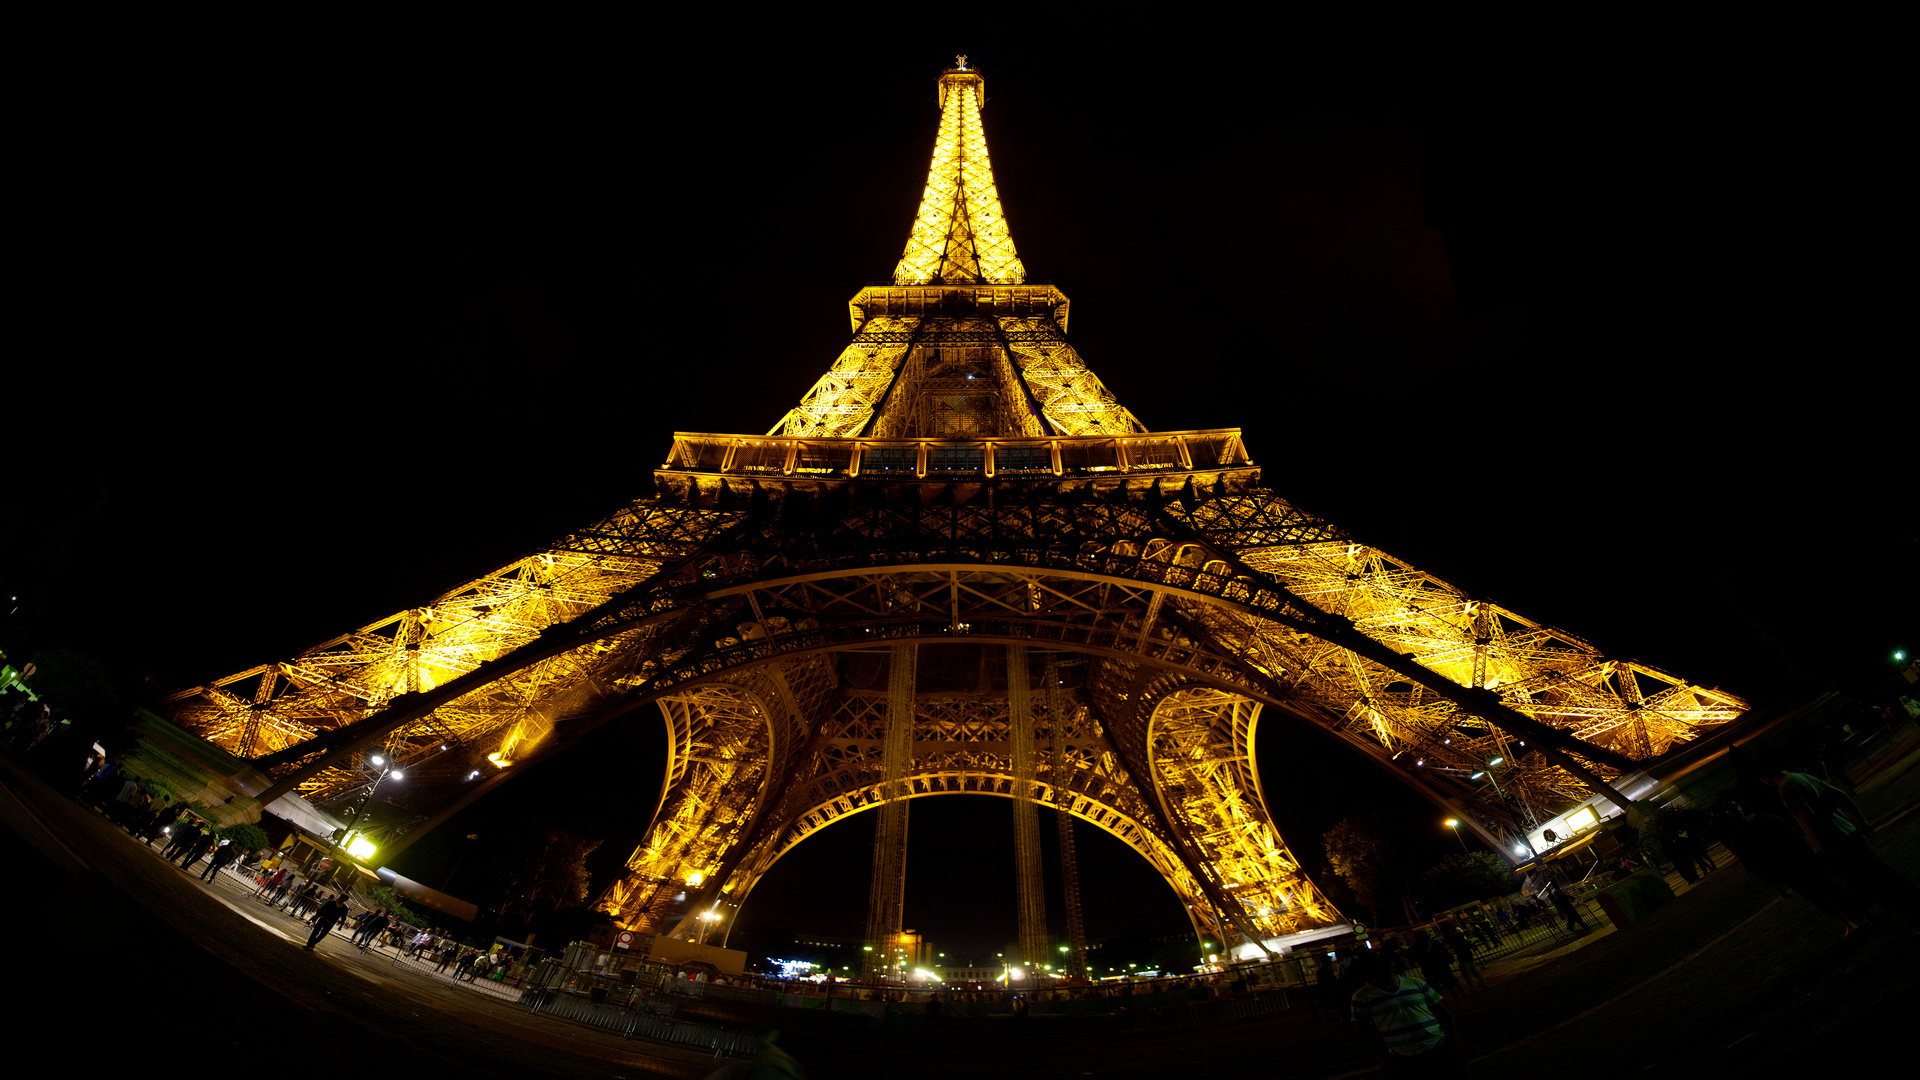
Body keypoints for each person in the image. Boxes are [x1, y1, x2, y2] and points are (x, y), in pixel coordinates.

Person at [1348, 953, 1468, 1076]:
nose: (1389, 962)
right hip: (1404, 1056)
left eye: (1388, 959)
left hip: (1438, 1046)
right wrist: (1381, 1055)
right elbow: (1361, 1031)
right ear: (1372, 967)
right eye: (1381, 962)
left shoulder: (1416, 983)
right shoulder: (1362, 997)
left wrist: (1454, 1037)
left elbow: (1442, 1011)